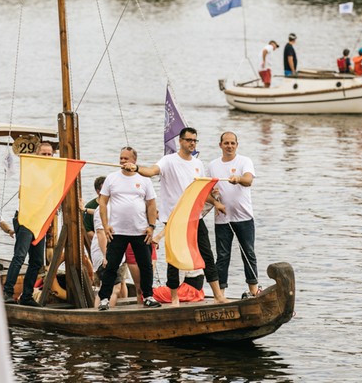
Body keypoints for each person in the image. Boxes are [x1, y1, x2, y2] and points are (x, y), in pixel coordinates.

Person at [127, 127, 228, 306]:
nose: (192, 143)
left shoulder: (198, 164)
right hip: (174, 218)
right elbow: (151, 171)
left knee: (207, 255)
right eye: (189, 140)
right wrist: (136, 168)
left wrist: (216, 203)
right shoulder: (169, 161)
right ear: (180, 141)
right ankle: (174, 298)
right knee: (173, 259)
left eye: (195, 141)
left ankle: (218, 295)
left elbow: (202, 192)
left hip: (194, 217)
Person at [96, 146, 161, 310]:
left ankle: (148, 296)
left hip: (140, 230)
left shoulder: (144, 179)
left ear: (134, 161)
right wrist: (105, 225)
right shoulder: (112, 178)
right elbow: (102, 202)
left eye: (126, 158)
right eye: (121, 158)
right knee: (111, 266)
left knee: (145, 266)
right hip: (117, 231)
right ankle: (104, 298)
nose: (122, 161)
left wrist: (151, 226)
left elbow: (151, 204)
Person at [208, 132, 260, 298]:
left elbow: (248, 180)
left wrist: (237, 179)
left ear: (237, 145)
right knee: (223, 257)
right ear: (220, 145)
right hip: (222, 219)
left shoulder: (245, 161)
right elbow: (206, 192)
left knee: (249, 253)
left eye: (232, 143)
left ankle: (253, 290)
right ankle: (220, 293)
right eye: (226, 143)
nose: (229, 146)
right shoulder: (212, 165)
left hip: (244, 217)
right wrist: (215, 199)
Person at [3, 141, 53, 306]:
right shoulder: (31, 170)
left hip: (40, 220)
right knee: (19, 256)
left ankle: (27, 296)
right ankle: (7, 292)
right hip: (26, 218)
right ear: (37, 155)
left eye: (49, 154)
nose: (46, 157)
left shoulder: (52, 173)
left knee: (37, 261)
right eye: (43, 154)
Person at [83, 176, 105, 249]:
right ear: (98, 191)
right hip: (98, 242)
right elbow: (88, 230)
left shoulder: (114, 203)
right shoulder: (90, 205)